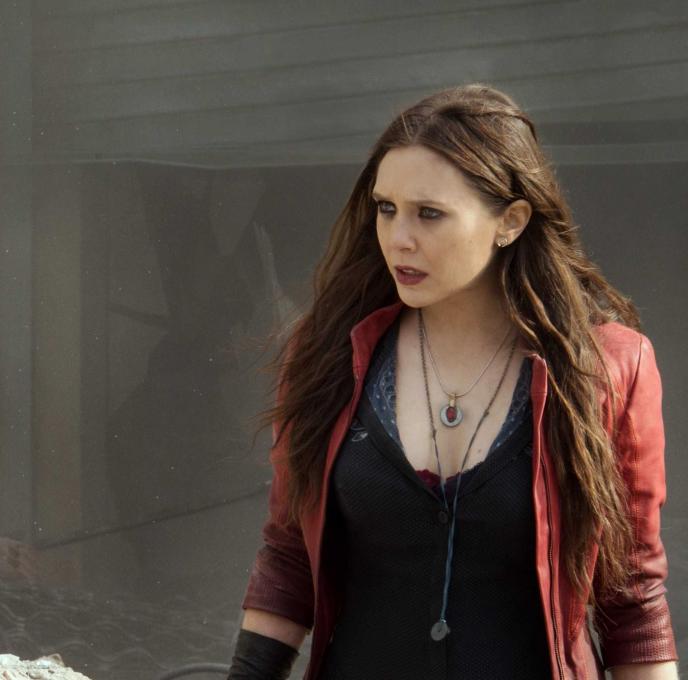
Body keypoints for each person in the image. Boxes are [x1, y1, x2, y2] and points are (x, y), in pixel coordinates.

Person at [225, 85, 677, 679]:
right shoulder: (331, 352)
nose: (398, 238)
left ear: (510, 221)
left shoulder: (607, 369)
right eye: (386, 208)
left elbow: (632, 599)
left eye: (429, 213)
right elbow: (288, 559)